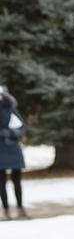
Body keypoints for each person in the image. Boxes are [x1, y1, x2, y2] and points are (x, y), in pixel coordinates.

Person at [0, 85, 27, 220]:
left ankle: (20, 207)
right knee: (1, 182)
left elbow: (21, 127)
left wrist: (11, 133)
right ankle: (5, 209)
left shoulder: (11, 110)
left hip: (13, 148)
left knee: (17, 180)